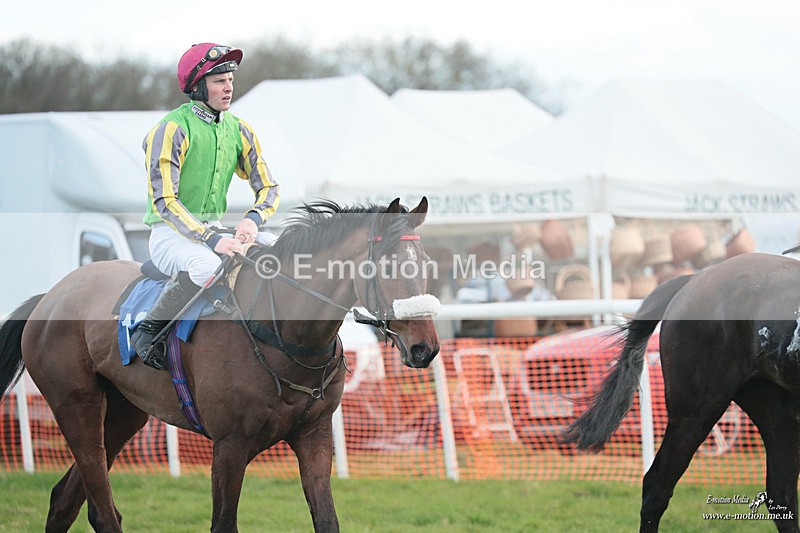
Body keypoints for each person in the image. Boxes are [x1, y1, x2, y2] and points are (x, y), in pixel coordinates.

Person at [132, 43, 280, 371]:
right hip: (169, 235)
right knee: (206, 267)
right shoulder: (171, 129)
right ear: (197, 87)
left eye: (230, 79)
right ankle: (148, 332)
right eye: (218, 81)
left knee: (276, 250)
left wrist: (254, 219)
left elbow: (269, 187)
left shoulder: (240, 130)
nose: (228, 87)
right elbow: (165, 202)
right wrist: (212, 239)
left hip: (215, 232)